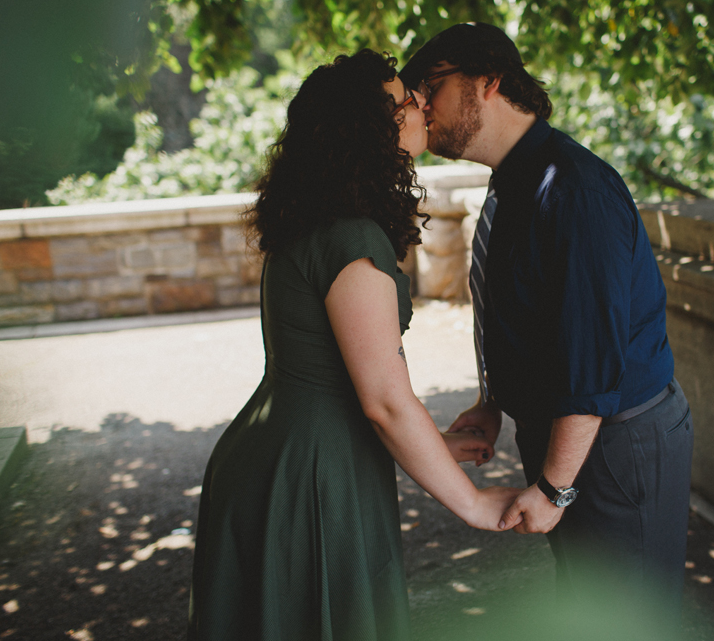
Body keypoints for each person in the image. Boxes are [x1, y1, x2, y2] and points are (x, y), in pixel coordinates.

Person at [187, 49, 521, 641]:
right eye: (403, 99)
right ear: (370, 129)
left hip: (283, 457)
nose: (420, 102)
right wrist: (473, 505)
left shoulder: (316, 218)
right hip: (310, 479)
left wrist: (436, 446)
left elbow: (338, 380)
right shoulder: (351, 237)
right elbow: (385, 402)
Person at [400, 23, 694, 612]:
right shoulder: (517, 182)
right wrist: (492, 399)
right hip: (578, 437)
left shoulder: (572, 189)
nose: (420, 105)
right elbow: (526, 316)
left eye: (430, 85)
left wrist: (557, 488)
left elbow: (592, 357)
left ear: (488, 82)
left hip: (617, 444)